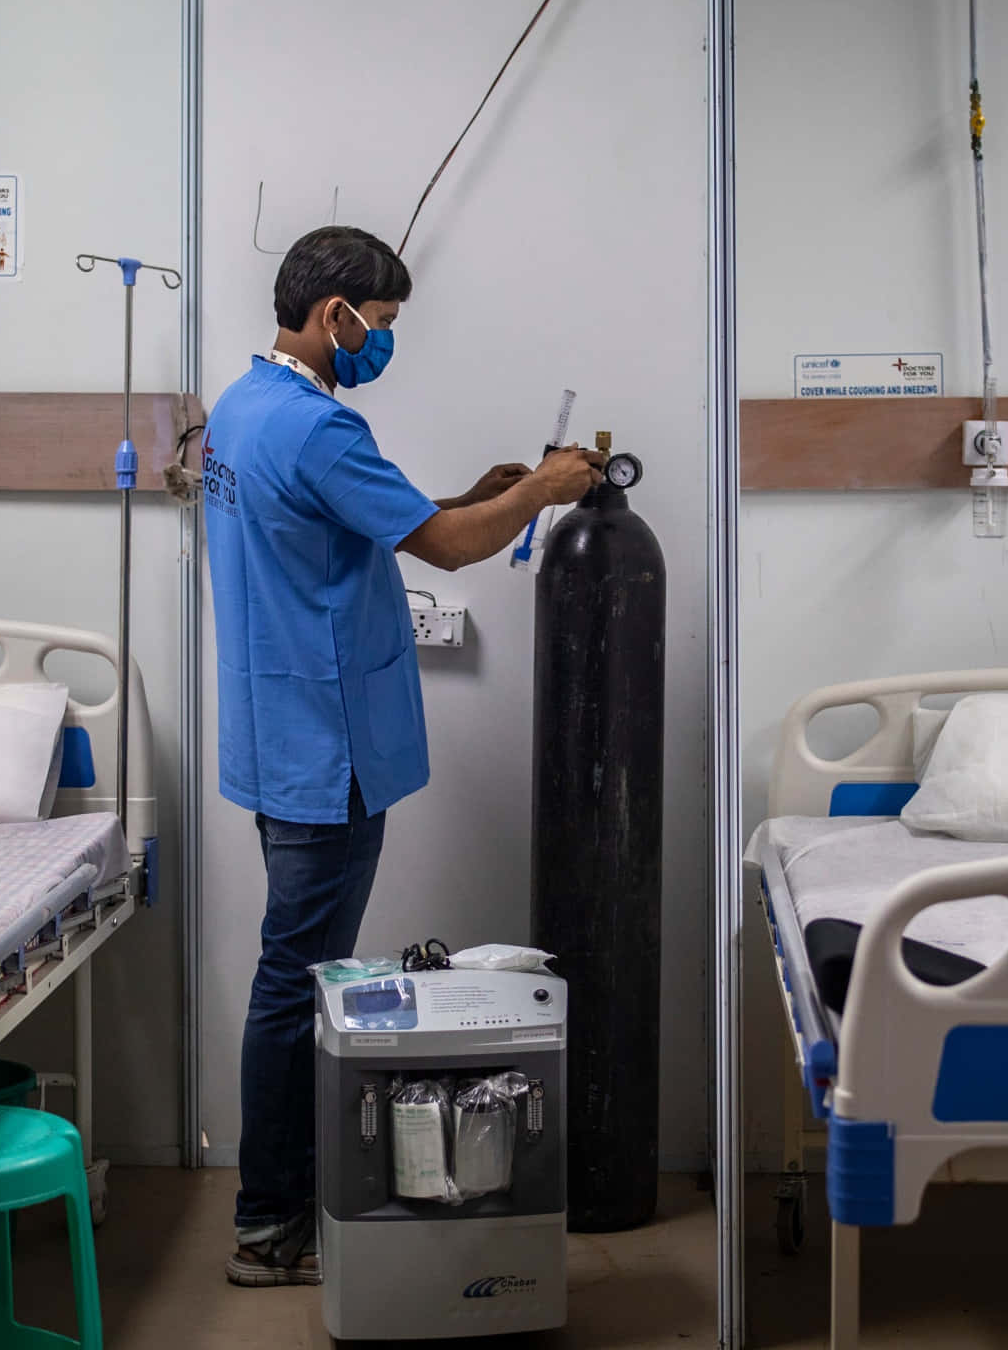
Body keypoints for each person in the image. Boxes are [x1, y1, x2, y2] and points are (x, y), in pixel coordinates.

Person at [202, 225, 603, 1286]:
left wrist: (478, 488)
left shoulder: (246, 409)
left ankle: (269, 1208)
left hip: (275, 735)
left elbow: (391, 520)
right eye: (379, 325)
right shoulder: (322, 428)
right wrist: (544, 489)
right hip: (327, 751)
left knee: (286, 975)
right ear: (335, 314)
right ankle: (265, 1225)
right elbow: (452, 545)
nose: (384, 343)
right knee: (292, 985)